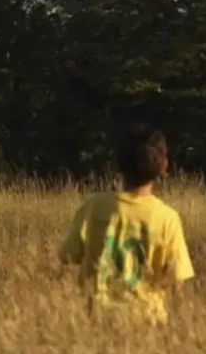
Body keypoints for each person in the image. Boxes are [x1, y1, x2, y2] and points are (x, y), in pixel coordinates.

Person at [58, 125, 194, 324]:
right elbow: (176, 280)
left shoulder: (95, 207)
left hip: (97, 320)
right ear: (164, 166)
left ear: (117, 165)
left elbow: (67, 257)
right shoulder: (167, 218)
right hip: (148, 323)